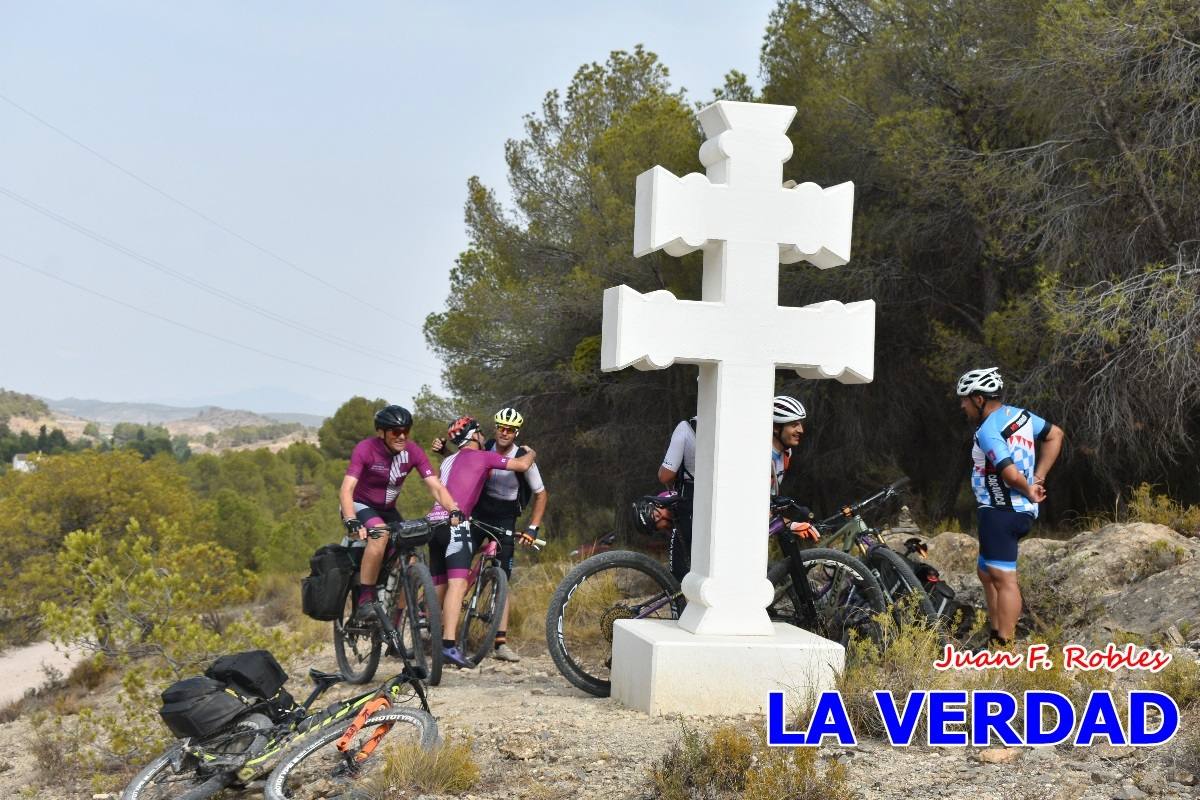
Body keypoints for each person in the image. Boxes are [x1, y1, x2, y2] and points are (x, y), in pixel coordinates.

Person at [956, 367, 1064, 645]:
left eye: (965, 399)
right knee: (985, 571)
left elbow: (1008, 472)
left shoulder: (988, 431)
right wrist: (1038, 478)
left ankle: (1003, 645)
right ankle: (995, 630)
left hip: (1001, 512)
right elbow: (1056, 435)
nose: (962, 405)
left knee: (1004, 579)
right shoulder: (1021, 415)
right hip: (1018, 510)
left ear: (979, 399)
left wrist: (1028, 486)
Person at [427, 415, 537, 668]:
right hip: (456, 525)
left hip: (433, 524)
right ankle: (448, 646)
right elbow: (521, 465)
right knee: (457, 584)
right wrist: (531, 452)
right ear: (474, 435)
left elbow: (460, 477)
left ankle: (429, 635)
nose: (483, 436)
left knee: (438, 585)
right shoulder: (483, 456)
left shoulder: (449, 460)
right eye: (479, 432)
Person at [338, 405, 460, 618]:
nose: (402, 436)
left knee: (411, 556)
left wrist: (454, 509)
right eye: (395, 431)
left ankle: (397, 618)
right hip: (359, 505)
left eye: (406, 430)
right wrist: (351, 520)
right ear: (381, 432)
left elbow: (435, 486)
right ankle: (366, 598)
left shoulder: (412, 451)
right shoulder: (366, 449)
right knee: (381, 534)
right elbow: (346, 489)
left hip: (387, 510)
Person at [469, 407, 548, 662]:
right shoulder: (486, 447)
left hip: (505, 517)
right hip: (479, 511)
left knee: (503, 576)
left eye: (510, 430)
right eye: (501, 428)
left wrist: (533, 528)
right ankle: (436, 626)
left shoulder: (523, 457)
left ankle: (501, 642)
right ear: (496, 428)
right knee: (458, 565)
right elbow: (463, 466)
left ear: (516, 433)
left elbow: (541, 493)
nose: (505, 433)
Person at [658, 416, 695, 583]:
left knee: (678, 574)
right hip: (723, 502)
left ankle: (680, 608)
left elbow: (665, 475)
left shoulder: (686, 428)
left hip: (691, 499)